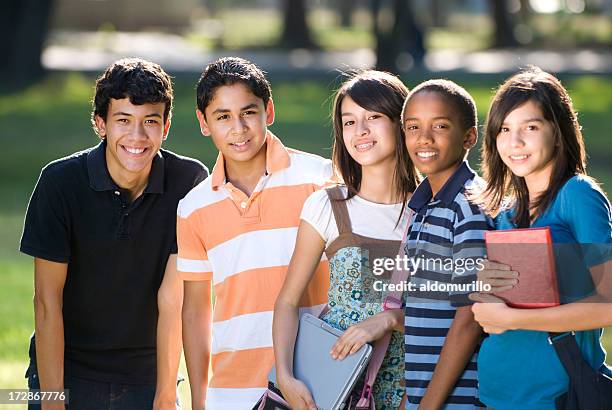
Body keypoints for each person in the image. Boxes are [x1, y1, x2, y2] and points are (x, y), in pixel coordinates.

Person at [20, 58, 208, 410]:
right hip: (67, 373)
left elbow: (174, 301)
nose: (137, 137)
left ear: (166, 126)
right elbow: (47, 302)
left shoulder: (188, 182)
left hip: (146, 377)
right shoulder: (60, 183)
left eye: (150, 122)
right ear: (100, 123)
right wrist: (52, 401)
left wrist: (167, 395)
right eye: (123, 121)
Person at [176, 57, 333, 410]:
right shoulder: (193, 207)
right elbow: (195, 313)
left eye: (249, 112)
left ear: (269, 111)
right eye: (223, 116)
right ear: (204, 123)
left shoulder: (320, 179)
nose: (238, 128)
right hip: (231, 393)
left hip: (315, 385)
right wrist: (200, 402)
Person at [273, 70, 419, 410]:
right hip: (335, 389)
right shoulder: (327, 205)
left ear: (402, 123)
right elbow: (287, 302)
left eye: (373, 118)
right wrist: (285, 376)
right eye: (349, 122)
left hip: (412, 392)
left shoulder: (433, 210)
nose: (361, 131)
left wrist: (392, 320)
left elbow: (453, 316)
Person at [470, 66, 612, 410]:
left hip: (559, 395)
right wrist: (484, 289)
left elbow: (608, 305)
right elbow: (501, 303)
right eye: (504, 129)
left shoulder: (577, 195)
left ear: (558, 131)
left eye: (530, 127)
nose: (514, 142)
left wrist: (513, 319)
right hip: (495, 392)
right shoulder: (506, 209)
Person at [401, 79, 489, 409]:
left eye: (440, 125)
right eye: (413, 127)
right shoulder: (424, 206)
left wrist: (428, 405)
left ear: (469, 136)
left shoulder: (469, 206)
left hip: (458, 400)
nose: (424, 138)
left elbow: (469, 318)